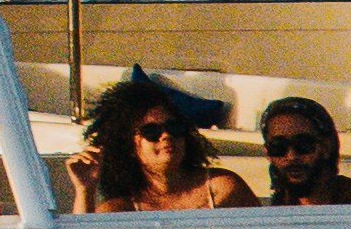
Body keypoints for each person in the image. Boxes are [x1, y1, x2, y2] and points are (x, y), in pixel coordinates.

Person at [73, 74, 257, 212]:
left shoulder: (223, 188)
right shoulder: (120, 210)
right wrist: (85, 191)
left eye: (174, 127)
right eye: (151, 131)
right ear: (129, 146)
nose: (166, 135)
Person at [260, 95, 351, 207]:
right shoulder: (280, 208)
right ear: (267, 153)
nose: (291, 156)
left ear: (326, 147)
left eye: (303, 144)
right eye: (278, 147)